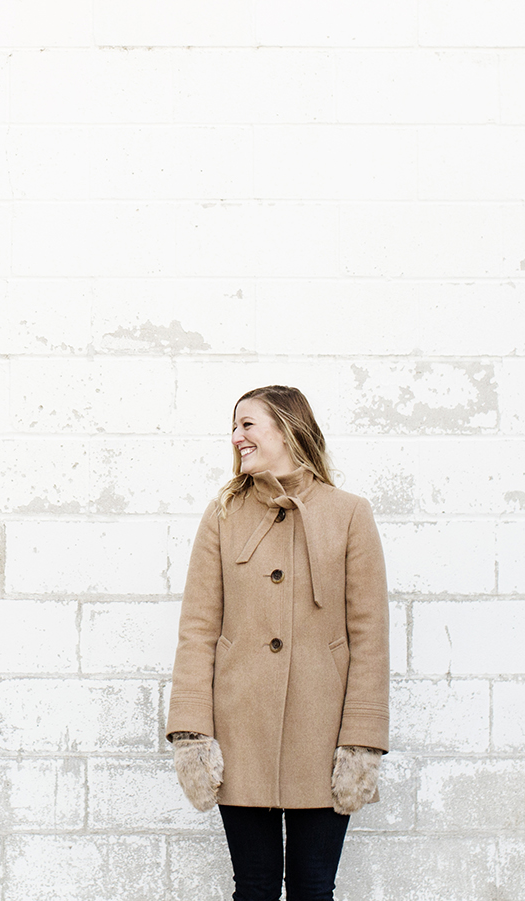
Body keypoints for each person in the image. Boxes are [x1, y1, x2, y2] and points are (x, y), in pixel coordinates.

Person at [165, 385, 391, 901]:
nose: (236, 436)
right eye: (234, 425)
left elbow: (369, 637)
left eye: (248, 424)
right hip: (239, 729)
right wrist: (191, 732)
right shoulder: (222, 513)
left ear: (289, 428)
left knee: (314, 888)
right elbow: (198, 629)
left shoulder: (350, 513)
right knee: (255, 887)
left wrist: (361, 741)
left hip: (324, 730)